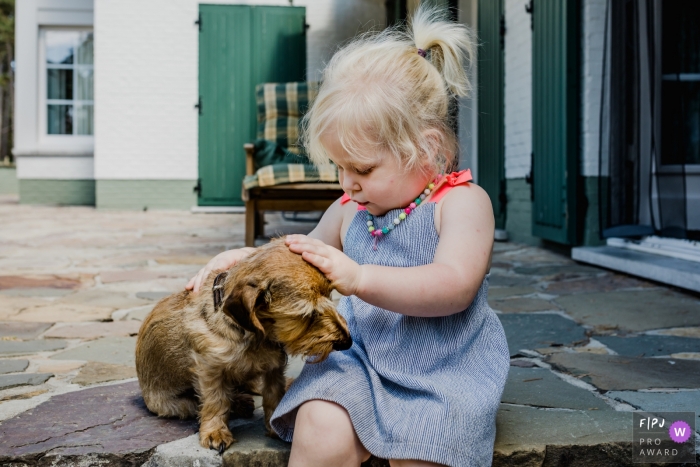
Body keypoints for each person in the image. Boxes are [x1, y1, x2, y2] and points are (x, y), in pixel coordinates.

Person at [186, 6, 509, 466]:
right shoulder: (349, 209)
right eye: (339, 166)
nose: (346, 182)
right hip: (359, 360)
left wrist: (359, 278)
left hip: (442, 370)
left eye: (361, 168)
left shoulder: (462, 203)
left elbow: (455, 287)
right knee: (320, 424)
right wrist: (240, 262)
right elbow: (299, 251)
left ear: (426, 148)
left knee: (430, 446)